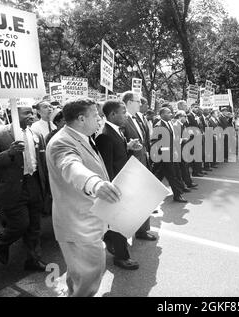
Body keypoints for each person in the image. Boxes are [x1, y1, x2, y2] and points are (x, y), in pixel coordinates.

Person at [47, 98, 122, 297]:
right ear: (81, 118)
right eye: (96, 115)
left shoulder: (80, 136)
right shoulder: (62, 142)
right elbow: (71, 165)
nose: (100, 119)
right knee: (89, 278)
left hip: (86, 221)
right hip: (79, 225)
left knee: (79, 275)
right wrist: (95, 184)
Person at [0, 106, 49, 271]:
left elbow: (42, 163)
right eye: (27, 113)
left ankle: (33, 259)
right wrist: (9, 153)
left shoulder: (36, 134)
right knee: (20, 224)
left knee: (34, 226)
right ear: (14, 115)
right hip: (11, 188)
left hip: (34, 184)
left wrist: (46, 186)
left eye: (32, 112)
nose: (31, 116)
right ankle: (2, 240)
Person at [95, 101, 140, 271]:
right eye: (123, 112)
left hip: (123, 183)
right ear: (113, 115)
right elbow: (106, 167)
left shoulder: (116, 132)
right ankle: (122, 257)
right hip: (116, 186)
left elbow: (117, 156)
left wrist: (128, 147)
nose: (126, 115)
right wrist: (115, 189)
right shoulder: (105, 135)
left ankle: (110, 240)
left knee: (117, 222)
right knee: (118, 221)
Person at [121, 91, 157, 241]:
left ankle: (143, 230)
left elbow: (144, 140)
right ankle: (132, 231)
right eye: (137, 101)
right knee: (135, 201)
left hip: (144, 162)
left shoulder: (139, 118)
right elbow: (121, 145)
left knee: (144, 198)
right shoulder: (122, 120)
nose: (141, 104)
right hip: (133, 166)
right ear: (129, 102)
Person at [152, 107, 188, 203]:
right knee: (172, 175)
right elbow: (155, 142)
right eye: (168, 113)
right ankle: (177, 195)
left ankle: (179, 191)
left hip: (172, 153)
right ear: (162, 115)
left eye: (171, 112)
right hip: (165, 156)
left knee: (171, 174)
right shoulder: (158, 125)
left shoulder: (169, 123)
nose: (171, 114)